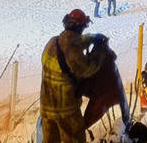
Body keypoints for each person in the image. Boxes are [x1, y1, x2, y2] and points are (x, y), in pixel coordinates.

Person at [40, 9, 109, 143]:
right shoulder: (73, 51)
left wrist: (91, 38)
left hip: (47, 108)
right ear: (80, 27)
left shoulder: (53, 42)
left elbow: (71, 43)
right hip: (65, 110)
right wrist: (99, 50)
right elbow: (87, 69)